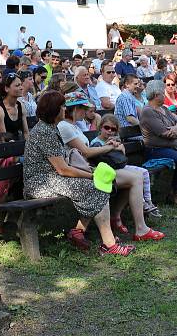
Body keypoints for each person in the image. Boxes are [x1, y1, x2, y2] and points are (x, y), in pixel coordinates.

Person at [23, 91, 135, 256]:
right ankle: (109, 244)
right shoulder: (45, 132)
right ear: (54, 110)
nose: (64, 109)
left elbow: (63, 166)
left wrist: (90, 171)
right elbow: (63, 169)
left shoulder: (50, 128)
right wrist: (91, 175)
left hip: (51, 178)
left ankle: (80, 232)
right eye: (62, 106)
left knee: (99, 185)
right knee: (97, 185)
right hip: (40, 183)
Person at [58, 92, 164, 241]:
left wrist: (108, 146)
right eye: (83, 108)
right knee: (134, 178)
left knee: (136, 177)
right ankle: (138, 229)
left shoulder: (73, 126)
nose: (86, 112)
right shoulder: (65, 126)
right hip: (82, 172)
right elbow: (86, 152)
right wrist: (110, 148)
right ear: (75, 109)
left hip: (89, 169)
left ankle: (130, 224)